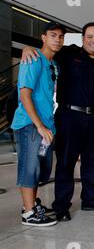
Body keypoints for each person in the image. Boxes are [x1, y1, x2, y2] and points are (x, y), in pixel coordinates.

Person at [22, 22, 94, 221]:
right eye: (90, 37)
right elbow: (47, 49)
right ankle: (61, 207)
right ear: (83, 38)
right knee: (65, 162)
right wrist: (27, 48)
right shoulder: (68, 53)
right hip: (69, 117)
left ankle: (91, 201)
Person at [12, 22, 66, 226]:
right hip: (31, 125)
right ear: (43, 37)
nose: (57, 40)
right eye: (53, 35)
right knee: (29, 167)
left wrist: (47, 127)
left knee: (41, 170)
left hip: (46, 127)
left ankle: (32, 204)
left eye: (60, 36)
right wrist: (40, 126)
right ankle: (28, 213)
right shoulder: (33, 59)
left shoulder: (53, 64)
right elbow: (25, 95)